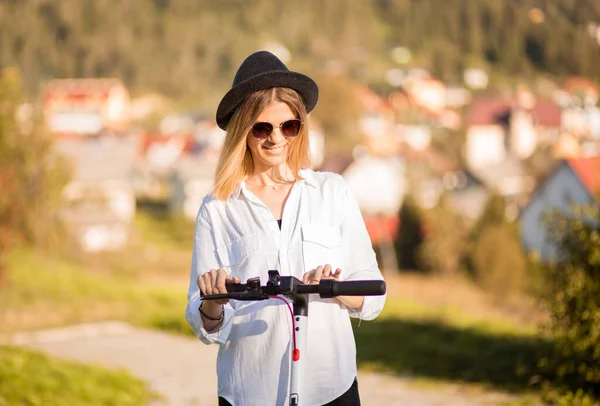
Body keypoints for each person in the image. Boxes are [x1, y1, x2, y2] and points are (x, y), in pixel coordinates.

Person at [185, 50, 386, 406]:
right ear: (241, 131)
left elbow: (374, 296)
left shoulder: (331, 192)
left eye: (288, 126)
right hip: (250, 391)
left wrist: (332, 288)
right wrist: (213, 303)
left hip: (330, 388)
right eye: (262, 127)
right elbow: (206, 326)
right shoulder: (217, 209)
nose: (276, 138)